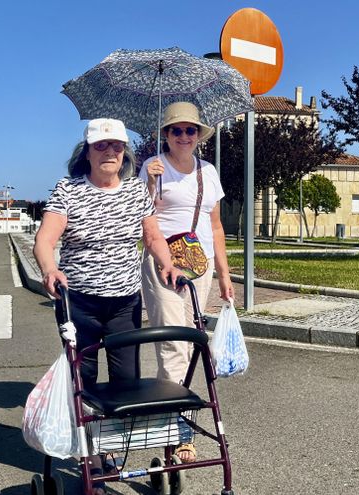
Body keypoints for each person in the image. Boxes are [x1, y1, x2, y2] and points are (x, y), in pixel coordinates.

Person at [33, 118, 179, 495]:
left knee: (126, 382)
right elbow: (45, 239)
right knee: (84, 382)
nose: (109, 152)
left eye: (116, 146)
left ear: (125, 152)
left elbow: (152, 235)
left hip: (124, 303)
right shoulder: (68, 190)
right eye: (101, 146)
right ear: (86, 153)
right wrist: (50, 269)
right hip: (78, 301)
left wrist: (166, 261)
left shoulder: (135, 192)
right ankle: (91, 457)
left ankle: (111, 448)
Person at [139, 102, 235, 463]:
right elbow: (142, 218)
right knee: (172, 345)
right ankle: (176, 432)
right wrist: (149, 184)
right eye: (176, 130)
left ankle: (174, 417)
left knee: (192, 343)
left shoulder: (208, 171)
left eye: (190, 130)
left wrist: (225, 274)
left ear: (199, 136)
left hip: (199, 264)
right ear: (165, 134)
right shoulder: (152, 167)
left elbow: (216, 227)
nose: (183, 136)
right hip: (163, 263)